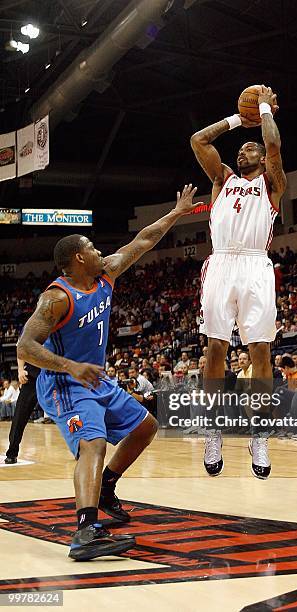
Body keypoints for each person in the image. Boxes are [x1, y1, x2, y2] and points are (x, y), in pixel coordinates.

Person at [17, 184, 200, 561]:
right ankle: (86, 531)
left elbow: (144, 240)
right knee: (93, 443)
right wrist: (71, 366)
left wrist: (178, 211)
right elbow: (25, 347)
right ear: (78, 258)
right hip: (66, 383)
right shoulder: (56, 298)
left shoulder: (107, 274)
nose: (101, 252)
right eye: (93, 248)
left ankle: (106, 487)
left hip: (97, 379)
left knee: (145, 427)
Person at [190, 85, 286, 479]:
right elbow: (199, 139)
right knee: (215, 350)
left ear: (262, 158)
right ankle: (213, 429)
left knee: (260, 352)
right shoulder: (222, 179)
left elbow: (274, 145)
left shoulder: (272, 183)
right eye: (241, 148)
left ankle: (258, 434)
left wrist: (263, 110)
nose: (241, 151)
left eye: (250, 148)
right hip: (222, 264)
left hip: (255, 266)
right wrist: (235, 120)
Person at [4, 359, 40, 464]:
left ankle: (80, 448)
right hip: (31, 377)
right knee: (19, 416)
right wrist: (20, 369)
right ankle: (12, 452)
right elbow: (21, 348)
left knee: (70, 413)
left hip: (54, 375)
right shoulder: (29, 341)